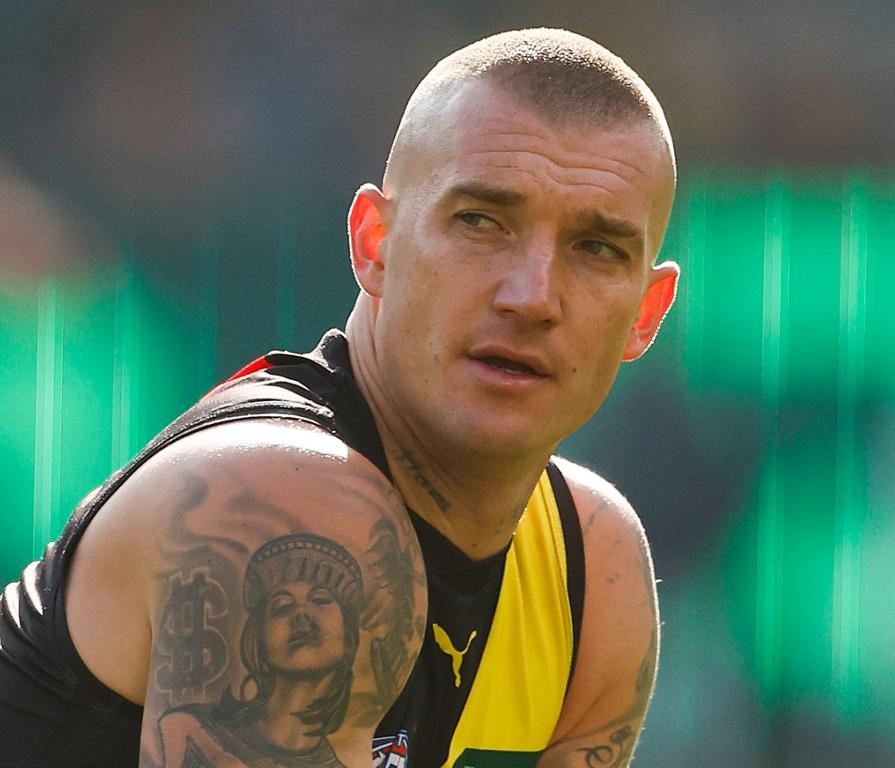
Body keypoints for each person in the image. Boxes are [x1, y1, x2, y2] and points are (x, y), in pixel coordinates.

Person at [0, 27, 680, 768]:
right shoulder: (284, 507)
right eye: (481, 222)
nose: (532, 296)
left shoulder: (594, 569)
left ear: (644, 313)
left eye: (596, 249)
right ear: (373, 244)